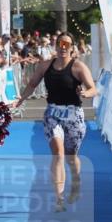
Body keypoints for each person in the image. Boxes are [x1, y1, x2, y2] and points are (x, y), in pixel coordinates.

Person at [14, 33, 98, 211]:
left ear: (72, 48)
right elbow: (32, 85)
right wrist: (21, 99)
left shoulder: (78, 67)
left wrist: (85, 94)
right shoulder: (45, 65)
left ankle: (75, 182)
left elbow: (93, 88)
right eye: (59, 43)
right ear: (55, 45)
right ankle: (58, 197)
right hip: (53, 114)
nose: (63, 47)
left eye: (67, 44)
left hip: (74, 116)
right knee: (58, 154)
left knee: (71, 156)